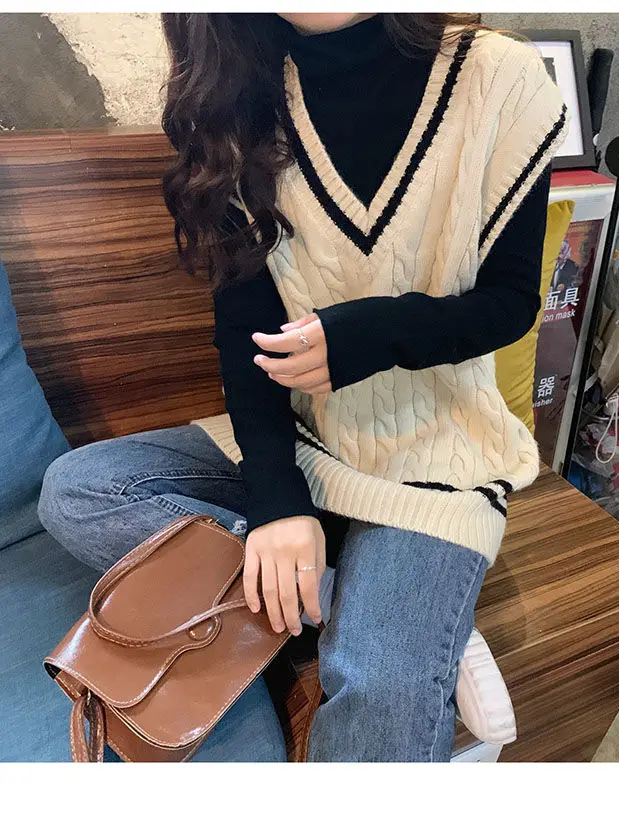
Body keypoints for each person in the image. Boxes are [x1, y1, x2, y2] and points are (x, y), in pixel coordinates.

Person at [38, 12, 567, 762]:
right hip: (302, 438)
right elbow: (244, 336)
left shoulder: (499, 77)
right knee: (77, 490)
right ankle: (357, 595)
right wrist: (277, 503)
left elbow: (511, 304)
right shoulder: (237, 99)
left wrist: (369, 336)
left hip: (435, 455)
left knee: (378, 684)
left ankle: (384, 610)